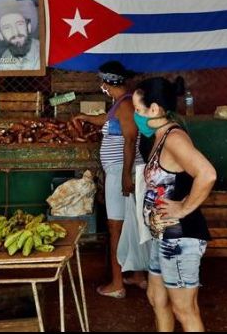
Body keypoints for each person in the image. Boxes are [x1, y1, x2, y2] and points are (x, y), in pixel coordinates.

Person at [133, 77, 216, 333]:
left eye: (138, 110)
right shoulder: (158, 136)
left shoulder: (173, 138)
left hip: (180, 237)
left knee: (184, 310)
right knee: (157, 299)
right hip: (163, 235)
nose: (136, 116)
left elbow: (207, 174)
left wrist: (182, 208)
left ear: (154, 109)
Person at [73, 61, 148, 298]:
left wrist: (125, 176)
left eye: (102, 81)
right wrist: (85, 117)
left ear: (108, 82)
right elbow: (108, 121)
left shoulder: (125, 105)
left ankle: (117, 284)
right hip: (121, 171)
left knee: (115, 227)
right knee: (133, 224)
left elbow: (130, 140)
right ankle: (138, 275)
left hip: (121, 172)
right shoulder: (120, 103)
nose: (101, 85)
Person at [0, 0, 41, 71]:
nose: (16, 32)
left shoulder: (41, 51)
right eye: (7, 28)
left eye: (19, 24)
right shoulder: (6, 56)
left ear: (28, 26)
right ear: (0, 34)